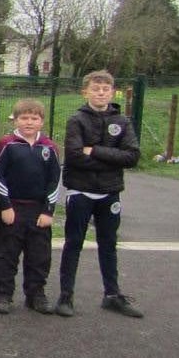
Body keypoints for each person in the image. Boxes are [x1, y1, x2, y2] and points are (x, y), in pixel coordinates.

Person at [56, 70, 143, 318]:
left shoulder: (123, 122)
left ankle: (112, 295)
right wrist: (111, 158)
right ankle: (65, 296)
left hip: (110, 192)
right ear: (86, 92)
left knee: (109, 244)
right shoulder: (76, 120)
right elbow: (74, 156)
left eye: (106, 88)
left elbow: (132, 157)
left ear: (113, 91)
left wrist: (93, 151)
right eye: (96, 88)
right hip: (80, 192)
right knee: (74, 243)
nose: (101, 92)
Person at [0, 99, 61, 315]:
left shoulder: (49, 147)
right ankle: (3, 294)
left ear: (41, 121)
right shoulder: (7, 144)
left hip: (38, 210)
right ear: (16, 119)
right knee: (5, 254)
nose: (29, 122)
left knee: (39, 256)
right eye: (24, 118)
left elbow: (55, 180)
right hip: (11, 209)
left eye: (34, 118)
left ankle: (35, 294)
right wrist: (5, 206)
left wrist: (48, 211)